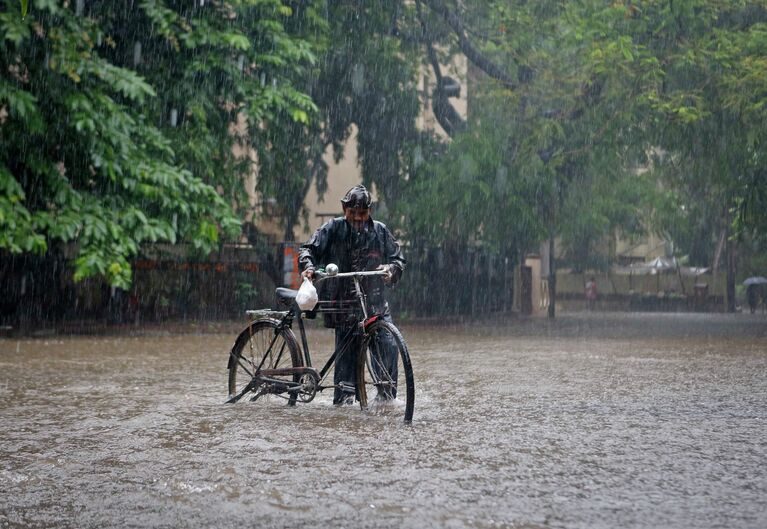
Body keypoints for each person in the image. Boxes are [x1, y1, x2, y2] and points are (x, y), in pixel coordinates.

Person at [298, 185, 406, 405]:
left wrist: (392, 271)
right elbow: (307, 249)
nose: (358, 218)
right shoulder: (333, 229)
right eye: (353, 213)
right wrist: (309, 266)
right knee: (346, 370)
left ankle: (386, 398)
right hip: (345, 306)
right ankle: (344, 401)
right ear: (344, 209)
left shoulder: (379, 231)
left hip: (375, 306)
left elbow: (398, 259)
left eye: (363, 213)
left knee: (389, 345)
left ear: (369, 211)